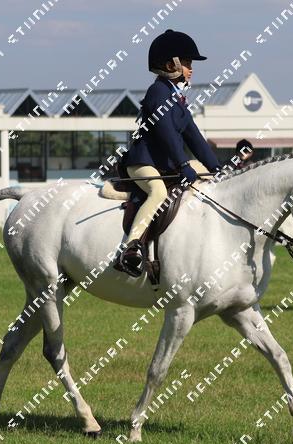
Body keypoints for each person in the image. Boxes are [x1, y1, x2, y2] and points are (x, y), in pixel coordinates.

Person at [115, 29, 221, 277]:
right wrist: (183, 164)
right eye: (187, 63)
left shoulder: (177, 98)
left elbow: (193, 136)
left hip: (164, 164)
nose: (191, 69)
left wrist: (217, 167)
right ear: (170, 64)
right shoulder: (158, 92)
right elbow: (166, 134)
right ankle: (131, 247)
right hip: (143, 162)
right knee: (158, 192)